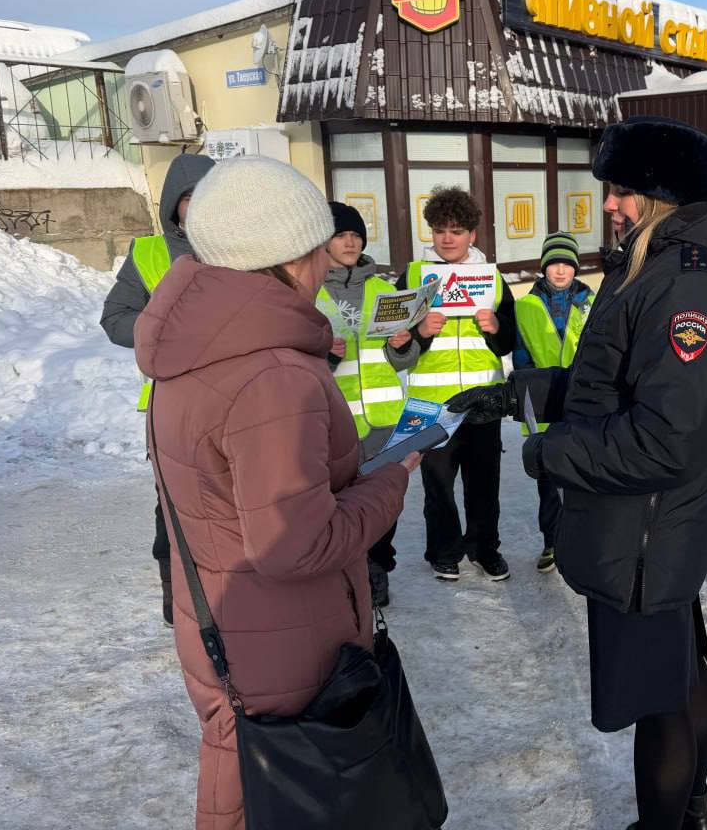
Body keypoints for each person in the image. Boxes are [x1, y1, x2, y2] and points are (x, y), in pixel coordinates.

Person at [449, 116, 707, 830]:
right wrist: (519, 394)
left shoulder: (690, 289)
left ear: (664, 196)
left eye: (623, 190)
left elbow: (666, 440)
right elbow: (613, 381)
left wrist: (549, 453)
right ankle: (689, 813)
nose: (608, 205)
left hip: (648, 534)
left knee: (660, 699)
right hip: (650, 528)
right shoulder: (656, 262)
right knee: (679, 674)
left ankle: (671, 820)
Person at [133, 156, 420, 830]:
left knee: (239, 787)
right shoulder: (272, 375)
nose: (327, 258)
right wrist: (390, 483)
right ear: (291, 257)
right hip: (281, 646)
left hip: (222, 628)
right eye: (319, 243)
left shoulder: (189, 348)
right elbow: (296, 544)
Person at [100, 152, 214, 627]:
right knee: (174, 507)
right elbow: (115, 319)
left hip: (239, 398)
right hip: (173, 404)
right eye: (191, 199)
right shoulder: (149, 253)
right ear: (174, 204)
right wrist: (166, 331)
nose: (202, 208)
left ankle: (234, 596)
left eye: (211, 197)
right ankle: (179, 601)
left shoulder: (248, 250)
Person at [396, 188, 516, 582]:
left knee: (484, 486)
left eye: (458, 230)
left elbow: (511, 341)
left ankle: (484, 549)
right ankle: (443, 551)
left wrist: (496, 329)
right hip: (435, 404)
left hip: (484, 402)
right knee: (439, 487)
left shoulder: (493, 279)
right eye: (440, 229)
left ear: (473, 236)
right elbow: (395, 346)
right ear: (430, 232)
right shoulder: (413, 278)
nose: (448, 238)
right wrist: (419, 332)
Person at [318, 201, 421, 606]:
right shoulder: (309, 290)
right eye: (341, 234)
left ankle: (378, 569)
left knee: (382, 499)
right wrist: (325, 356)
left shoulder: (384, 289)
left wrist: (404, 345)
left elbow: (404, 361)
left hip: (383, 418)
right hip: (335, 420)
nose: (350, 242)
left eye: (356, 235)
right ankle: (343, 573)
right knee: (336, 502)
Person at [512, 230, 595, 574]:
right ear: (544, 267)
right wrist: (532, 388)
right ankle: (552, 542)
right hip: (543, 408)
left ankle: (584, 544)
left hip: (583, 405)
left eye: (567, 264)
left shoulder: (592, 302)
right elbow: (520, 355)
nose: (560, 271)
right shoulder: (527, 305)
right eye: (554, 264)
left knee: (583, 479)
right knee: (548, 482)